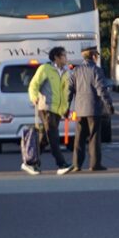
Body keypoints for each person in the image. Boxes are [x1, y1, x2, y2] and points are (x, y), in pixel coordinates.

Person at [26, 46, 73, 175]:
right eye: (63, 55)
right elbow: (33, 85)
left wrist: (66, 109)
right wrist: (34, 97)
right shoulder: (45, 69)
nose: (66, 58)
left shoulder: (65, 71)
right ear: (56, 57)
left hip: (57, 111)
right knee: (53, 138)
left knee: (44, 139)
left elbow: (65, 92)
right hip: (46, 108)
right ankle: (61, 164)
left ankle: (30, 162)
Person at [67, 46, 114, 172]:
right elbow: (101, 90)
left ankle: (77, 164)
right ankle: (95, 164)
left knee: (79, 138)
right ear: (93, 55)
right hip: (94, 109)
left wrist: (66, 107)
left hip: (79, 110)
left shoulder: (75, 71)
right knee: (94, 137)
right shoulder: (96, 70)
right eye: (96, 55)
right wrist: (109, 105)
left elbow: (69, 90)